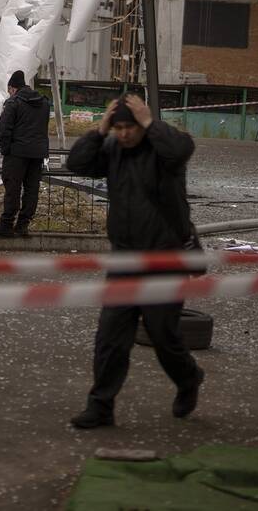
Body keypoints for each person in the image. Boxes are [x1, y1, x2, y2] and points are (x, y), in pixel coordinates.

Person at [65, 94, 205, 429]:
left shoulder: (163, 151)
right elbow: (77, 164)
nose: (125, 134)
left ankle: (189, 378)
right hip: (125, 257)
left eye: (130, 127)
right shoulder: (113, 149)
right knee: (110, 337)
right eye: (119, 128)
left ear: (141, 124)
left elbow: (182, 149)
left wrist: (150, 122)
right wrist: (99, 132)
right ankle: (100, 406)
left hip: (164, 258)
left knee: (163, 335)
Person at [0, 70, 50, 237]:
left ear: (13, 88)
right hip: (37, 154)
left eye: (9, 90)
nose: (9, 93)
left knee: (13, 189)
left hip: (17, 154)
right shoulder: (44, 103)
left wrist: (6, 150)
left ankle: (6, 224)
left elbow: (4, 129)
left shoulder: (13, 103)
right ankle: (23, 225)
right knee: (32, 190)